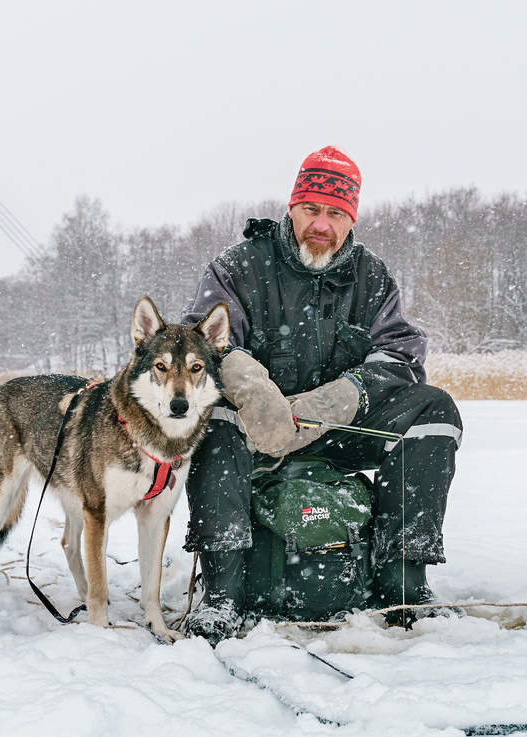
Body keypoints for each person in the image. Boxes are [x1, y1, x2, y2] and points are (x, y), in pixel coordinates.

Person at [180, 146, 463, 643]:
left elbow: (400, 353)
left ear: (351, 218)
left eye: (336, 213)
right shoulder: (239, 265)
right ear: (291, 208)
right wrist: (251, 387)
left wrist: (345, 396)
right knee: (212, 414)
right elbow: (199, 341)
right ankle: (222, 592)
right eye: (311, 209)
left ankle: (404, 581)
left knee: (433, 410)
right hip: (257, 430)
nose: (322, 224)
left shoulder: (371, 276)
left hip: (337, 430)